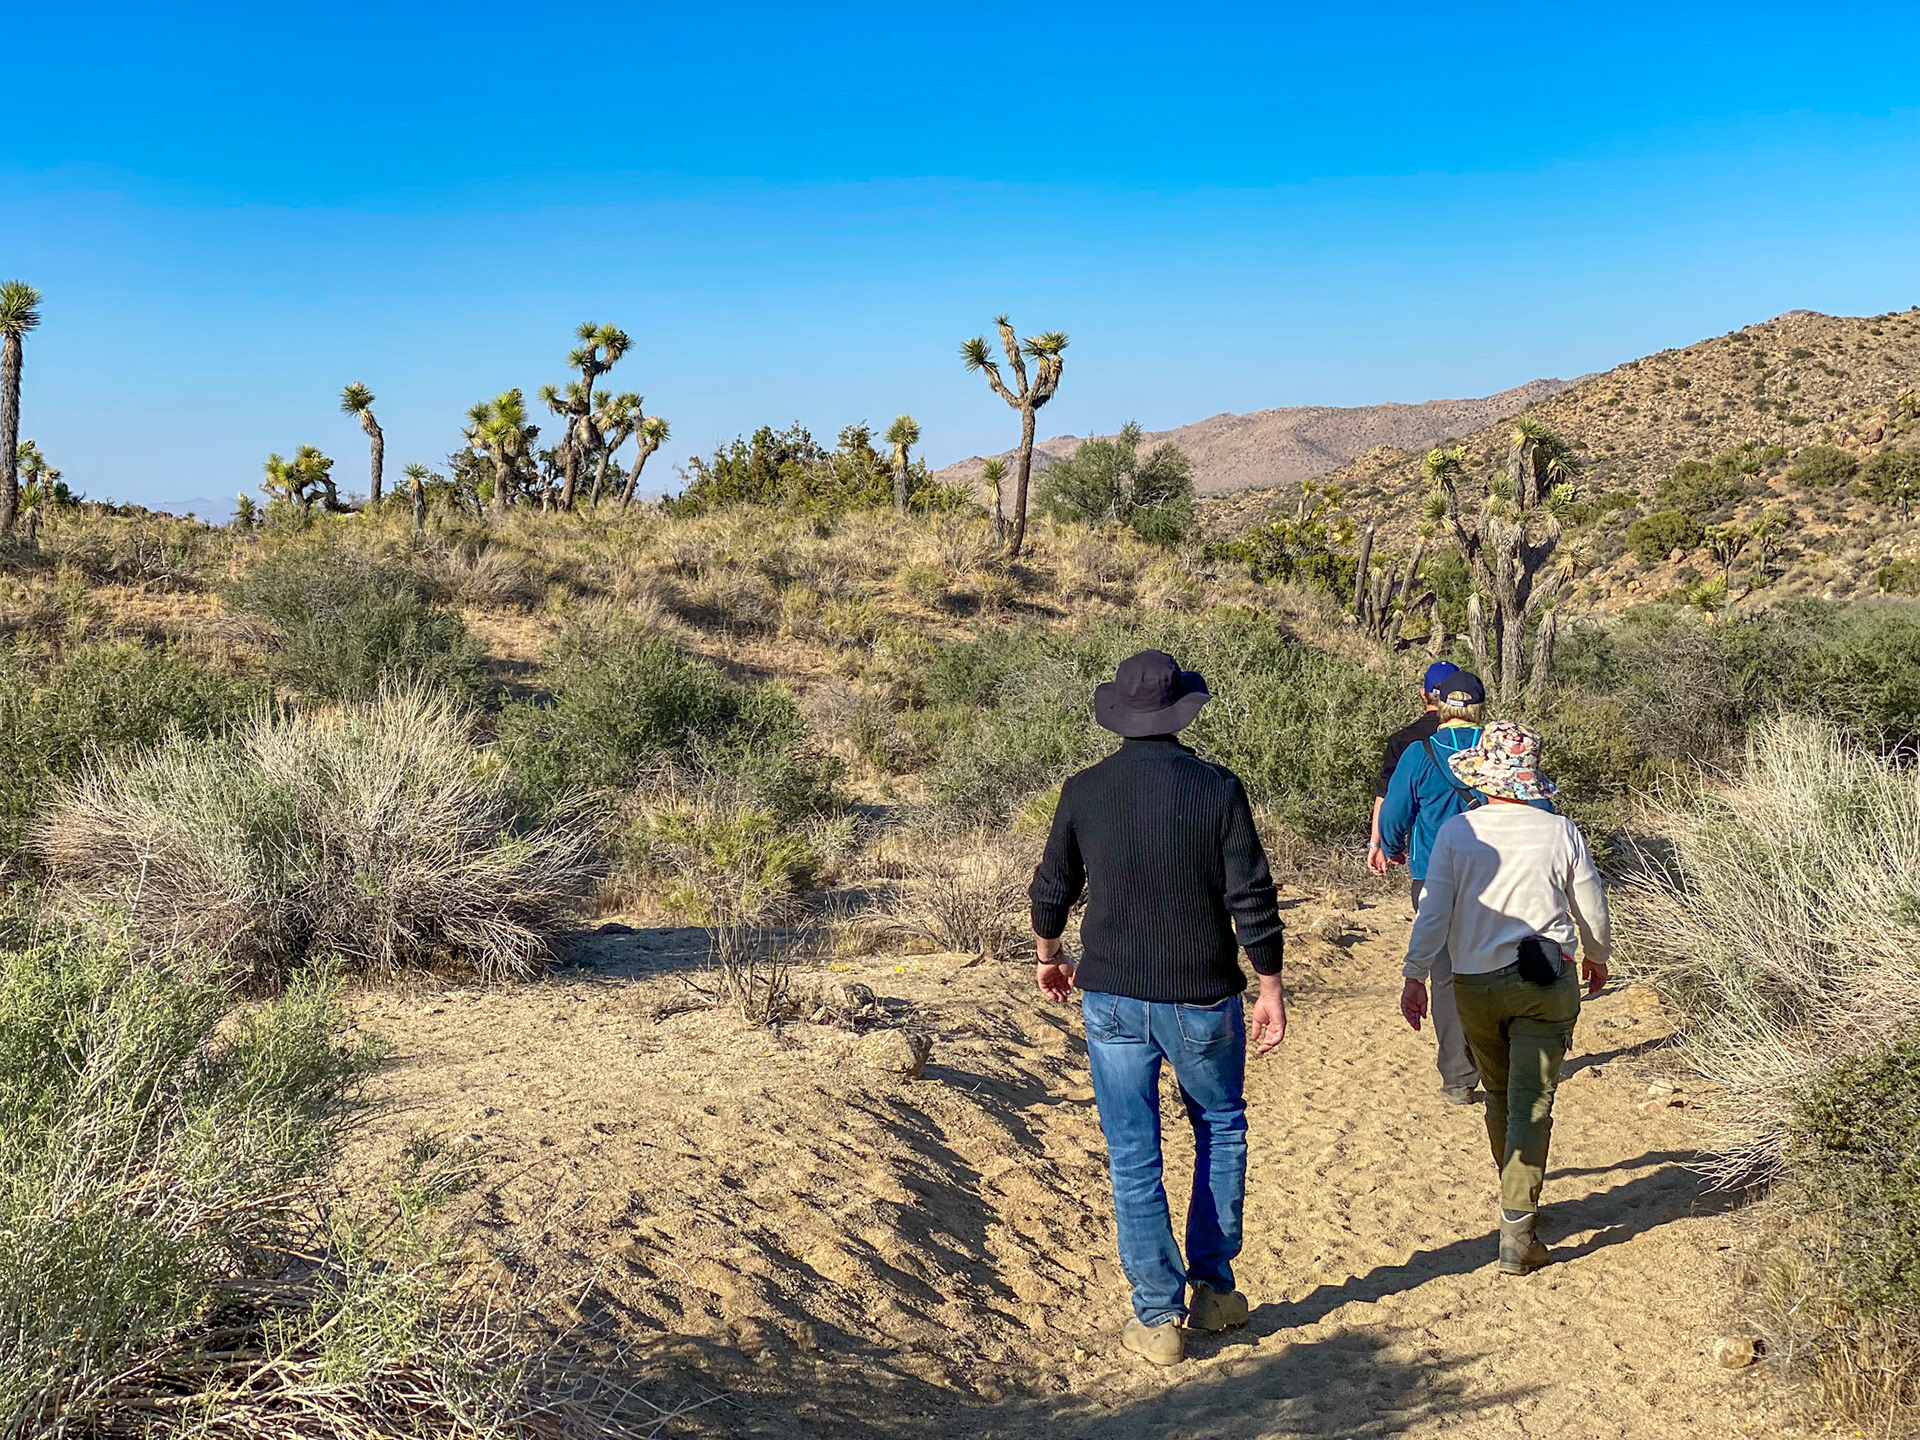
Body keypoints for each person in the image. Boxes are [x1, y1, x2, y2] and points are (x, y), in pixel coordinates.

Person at [1030, 649, 1287, 1368]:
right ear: (1182, 711)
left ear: (1122, 714)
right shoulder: (1217, 789)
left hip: (1112, 994)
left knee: (1134, 1155)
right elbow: (1252, 899)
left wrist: (1050, 953)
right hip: (1203, 994)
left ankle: (1155, 1319)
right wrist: (1268, 985)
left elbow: (1052, 887)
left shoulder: (1085, 789)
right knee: (1220, 1128)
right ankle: (1212, 1290)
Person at [1398, 721, 1611, 1275]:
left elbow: (1434, 912)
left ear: (1483, 776)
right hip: (1547, 981)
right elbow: (1589, 901)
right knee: (1533, 1101)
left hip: (1475, 984)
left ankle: (1515, 1193)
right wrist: (1596, 954)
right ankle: (1518, 1226)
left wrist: (1415, 973)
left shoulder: (1456, 833)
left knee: (1499, 1095)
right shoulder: (1559, 831)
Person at [1376, 670, 1527, 1104]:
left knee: (1443, 974)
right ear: (1481, 708)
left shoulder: (1419, 751)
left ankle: (1457, 1076)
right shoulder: (1497, 753)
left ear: (1439, 704)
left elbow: (1394, 813)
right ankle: (1496, 1061)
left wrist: (1392, 847)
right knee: (1496, 963)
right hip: (1497, 873)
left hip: (1432, 872)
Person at [1367, 660, 1460, 879]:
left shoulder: (1403, 740)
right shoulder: (1483, 740)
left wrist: (1379, 843)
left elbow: (1387, 796)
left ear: (1422, 694)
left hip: (1427, 856)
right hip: (1480, 859)